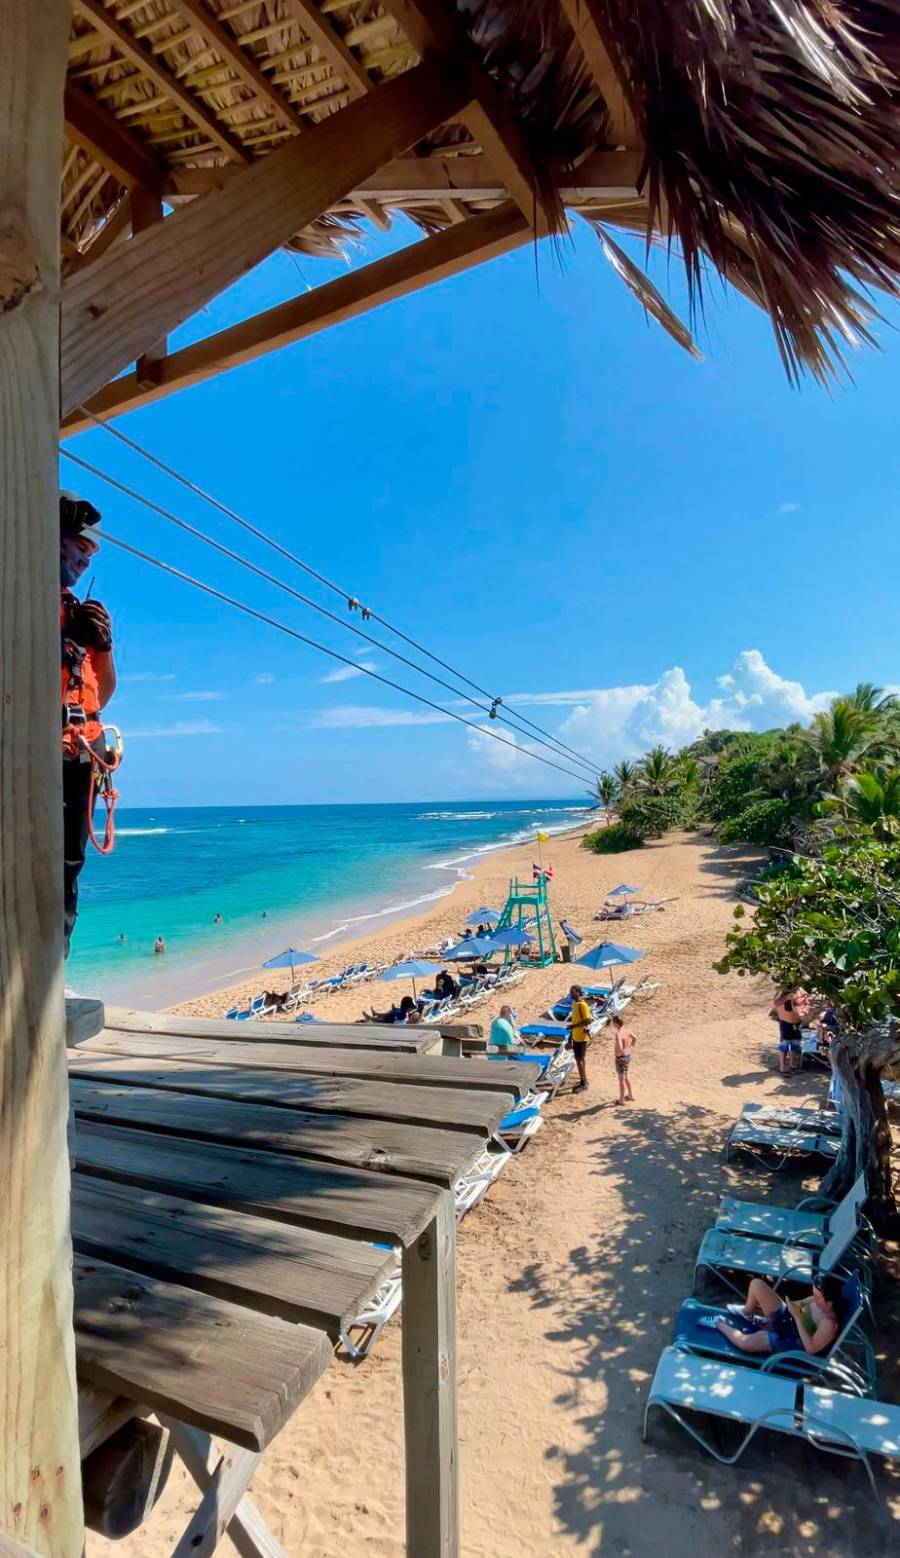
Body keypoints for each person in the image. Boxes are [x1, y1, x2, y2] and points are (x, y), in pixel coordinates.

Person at [60, 492, 117, 955]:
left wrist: (103, 645)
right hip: (37, 749)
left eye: (90, 554)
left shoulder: (82, 613)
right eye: (78, 546)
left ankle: (53, 963)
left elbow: (105, 693)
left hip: (81, 753)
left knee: (69, 864)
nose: (84, 559)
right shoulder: (19, 599)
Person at [714, 1274, 843, 1358]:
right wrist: (793, 1306)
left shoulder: (829, 1324)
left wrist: (798, 1318)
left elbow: (810, 1349)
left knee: (744, 1343)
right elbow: (798, 1305)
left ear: (829, 1303)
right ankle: (746, 1313)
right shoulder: (816, 1301)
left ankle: (717, 1322)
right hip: (786, 1320)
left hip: (789, 1340)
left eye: (817, 1297)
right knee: (757, 1285)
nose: (814, 1298)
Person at [771, 987, 810, 1074]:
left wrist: (805, 1010)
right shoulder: (782, 990)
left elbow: (807, 1002)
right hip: (785, 1023)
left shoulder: (801, 991)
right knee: (785, 1045)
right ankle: (782, 1067)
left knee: (795, 1044)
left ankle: (792, 1065)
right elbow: (776, 1003)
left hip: (797, 1022)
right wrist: (786, 997)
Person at [566, 984, 593, 1092]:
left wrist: (574, 1026)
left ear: (578, 992)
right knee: (580, 1059)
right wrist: (571, 1036)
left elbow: (588, 1020)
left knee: (579, 1059)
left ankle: (584, 1082)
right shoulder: (575, 1004)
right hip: (576, 1036)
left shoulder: (582, 1005)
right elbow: (575, 1021)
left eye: (572, 992)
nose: (570, 993)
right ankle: (583, 1078)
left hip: (582, 1037)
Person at [611, 1013, 637, 1104]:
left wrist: (620, 1054)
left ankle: (621, 1100)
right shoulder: (627, 1031)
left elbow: (620, 1048)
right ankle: (630, 1095)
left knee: (621, 1079)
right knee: (626, 1077)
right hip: (627, 1057)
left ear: (616, 1024)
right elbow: (635, 1038)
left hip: (621, 1059)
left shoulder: (618, 1034)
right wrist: (630, 1047)